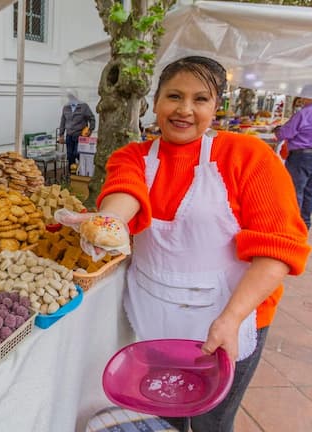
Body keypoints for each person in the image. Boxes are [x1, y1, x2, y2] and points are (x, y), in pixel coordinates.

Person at [58, 56, 310, 432]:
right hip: (156, 319)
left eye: (200, 99)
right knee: (164, 413)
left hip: (231, 316)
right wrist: (107, 221)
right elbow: (125, 193)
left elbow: (278, 249)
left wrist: (231, 319)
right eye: (174, 96)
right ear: (155, 102)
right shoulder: (132, 157)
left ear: (216, 106)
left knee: (213, 421)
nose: (185, 110)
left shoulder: (249, 157)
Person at [276, 95, 312, 228]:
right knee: (309, 192)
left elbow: (285, 133)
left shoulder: (303, 113)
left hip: (301, 156)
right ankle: (305, 224)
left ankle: (293, 225)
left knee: (295, 190)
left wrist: (278, 131)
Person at [58, 90, 95, 167]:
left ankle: (82, 171)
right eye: (69, 96)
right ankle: (71, 174)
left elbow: (92, 118)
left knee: (77, 153)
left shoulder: (84, 106)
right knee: (70, 156)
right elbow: (63, 121)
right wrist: (61, 134)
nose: (71, 98)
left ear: (76, 97)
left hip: (80, 136)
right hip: (69, 135)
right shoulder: (66, 107)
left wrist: (91, 129)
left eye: (72, 96)